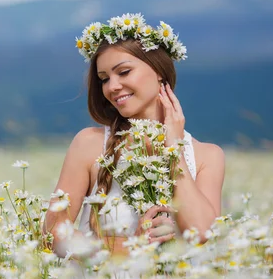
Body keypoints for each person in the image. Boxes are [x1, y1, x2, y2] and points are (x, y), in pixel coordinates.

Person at [43, 13, 225, 258]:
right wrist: (129, 251)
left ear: (159, 71)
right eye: (104, 79)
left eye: (124, 72)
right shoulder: (89, 144)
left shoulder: (207, 155)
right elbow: (53, 231)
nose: (112, 87)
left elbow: (202, 232)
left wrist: (173, 148)